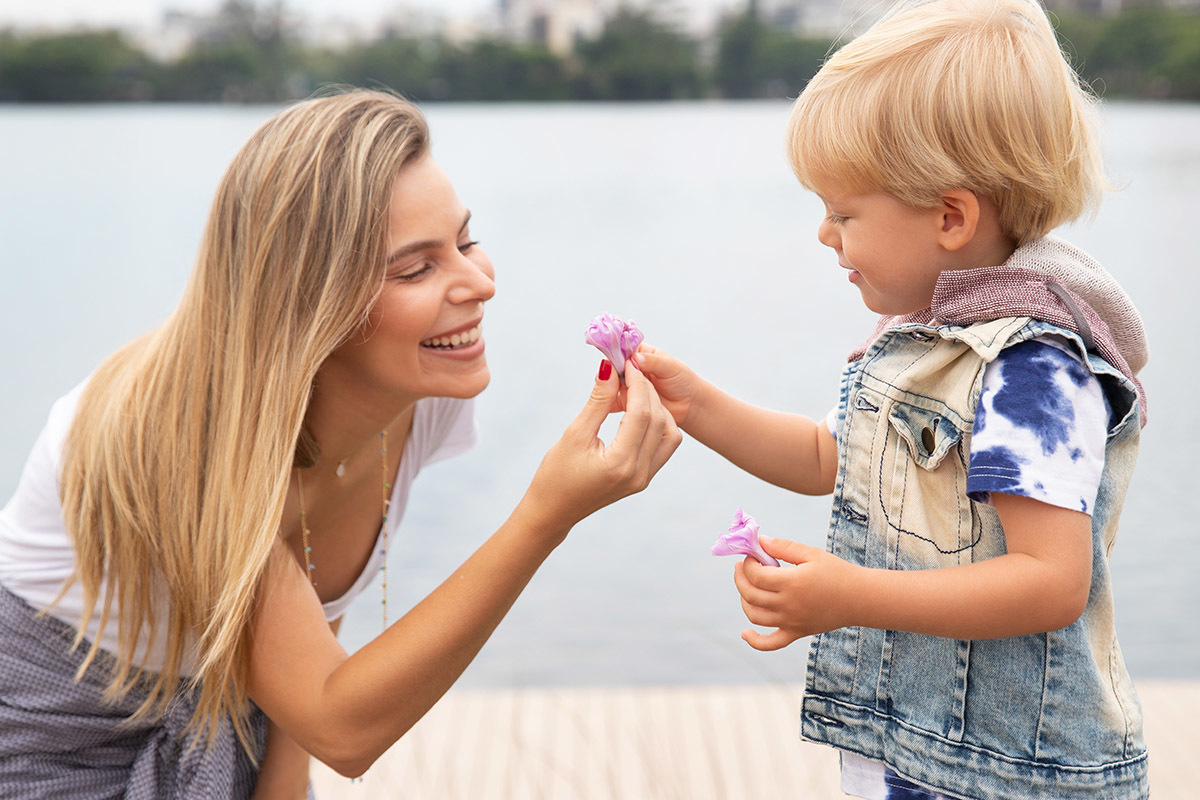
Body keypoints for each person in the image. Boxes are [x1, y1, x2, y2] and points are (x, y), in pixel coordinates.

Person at [0, 88, 680, 798]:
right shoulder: (166, 438)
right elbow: (342, 727)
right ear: (308, 301)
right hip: (51, 752)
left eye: (467, 240)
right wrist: (547, 514)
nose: (479, 283)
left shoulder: (415, 392)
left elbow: (312, 655)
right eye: (417, 269)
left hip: (241, 723)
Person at [633, 1, 1150, 798]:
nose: (824, 234)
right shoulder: (923, 341)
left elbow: (1049, 582)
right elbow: (830, 462)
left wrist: (847, 594)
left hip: (1011, 774)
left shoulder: (1031, 367)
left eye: (844, 213)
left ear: (950, 217)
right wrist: (696, 405)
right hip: (914, 750)